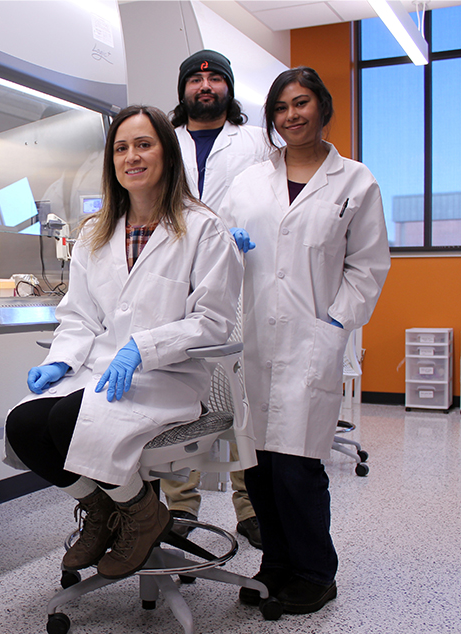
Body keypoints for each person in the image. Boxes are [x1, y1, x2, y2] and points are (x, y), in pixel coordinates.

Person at [4, 105, 243, 581]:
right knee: (25, 423)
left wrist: (145, 348)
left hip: (165, 378)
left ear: (166, 154)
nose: (131, 157)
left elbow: (214, 321)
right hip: (101, 371)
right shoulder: (96, 231)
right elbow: (79, 315)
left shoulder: (203, 228)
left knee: (67, 420)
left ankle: (139, 511)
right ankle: (103, 510)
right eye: (121, 148)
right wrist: (61, 360)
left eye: (143, 144)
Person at [222, 67, 391, 614]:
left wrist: (338, 323)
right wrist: (227, 243)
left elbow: (367, 268)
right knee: (259, 465)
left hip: (310, 338)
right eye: (281, 108)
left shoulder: (355, 182)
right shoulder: (249, 180)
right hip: (250, 341)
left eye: (302, 103)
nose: (292, 115)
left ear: (322, 107)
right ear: (271, 118)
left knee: (298, 466)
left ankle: (316, 573)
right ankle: (275, 565)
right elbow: (214, 244)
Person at [163, 49, 272, 548]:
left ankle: (249, 506)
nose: (204, 85)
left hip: (237, 279)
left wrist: (250, 233)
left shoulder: (254, 141)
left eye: (214, 78)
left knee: (240, 396)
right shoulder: (168, 142)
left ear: (228, 88)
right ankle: (180, 505)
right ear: (183, 90)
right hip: (174, 282)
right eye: (195, 78)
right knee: (178, 394)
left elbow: (273, 198)